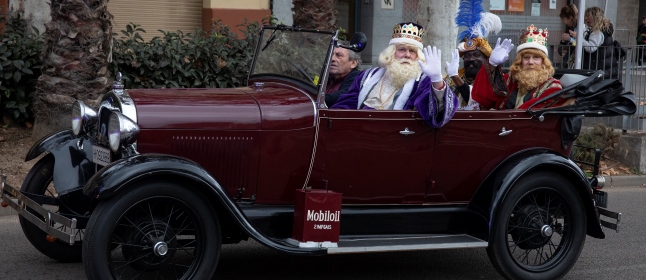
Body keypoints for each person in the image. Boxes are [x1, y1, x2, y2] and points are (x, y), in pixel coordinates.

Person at [332, 22, 458, 128]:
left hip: (398, 139)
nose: (407, 55)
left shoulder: (423, 82)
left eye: (412, 51)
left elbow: (435, 115)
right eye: (402, 49)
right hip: (361, 134)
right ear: (391, 53)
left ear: (418, 56)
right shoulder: (367, 76)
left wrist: (436, 80)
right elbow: (345, 106)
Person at [471, 25, 568, 110]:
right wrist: (491, 64)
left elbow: (531, 110)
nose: (530, 62)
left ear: (544, 62)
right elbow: (482, 97)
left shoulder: (553, 87)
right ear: (520, 61)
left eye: (536, 57)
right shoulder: (509, 81)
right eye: (526, 57)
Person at [447, 2, 502, 110]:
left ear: (486, 58)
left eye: (476, 55)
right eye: (467, 55)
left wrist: (456, 78)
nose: (471, 59)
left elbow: (478, 99)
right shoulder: (451, 79)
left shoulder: (494, 81)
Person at [572, 7, 619, 79]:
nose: (586, 18)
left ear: (595, 17)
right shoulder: (604, 30)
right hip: (605, 69)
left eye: (588, 16)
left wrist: (578, 38)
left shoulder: (597, 32)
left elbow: (591, 48)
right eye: (586, 16)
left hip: (598, 69)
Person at [559, 4, 578, 69]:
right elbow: (560, 48)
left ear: (570, 18)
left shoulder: (581, 28)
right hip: (568, 59)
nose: (564, 22)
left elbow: (580, 43)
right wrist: (563, 43)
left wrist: (570, 39)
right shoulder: (569, 28)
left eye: (564, 19)